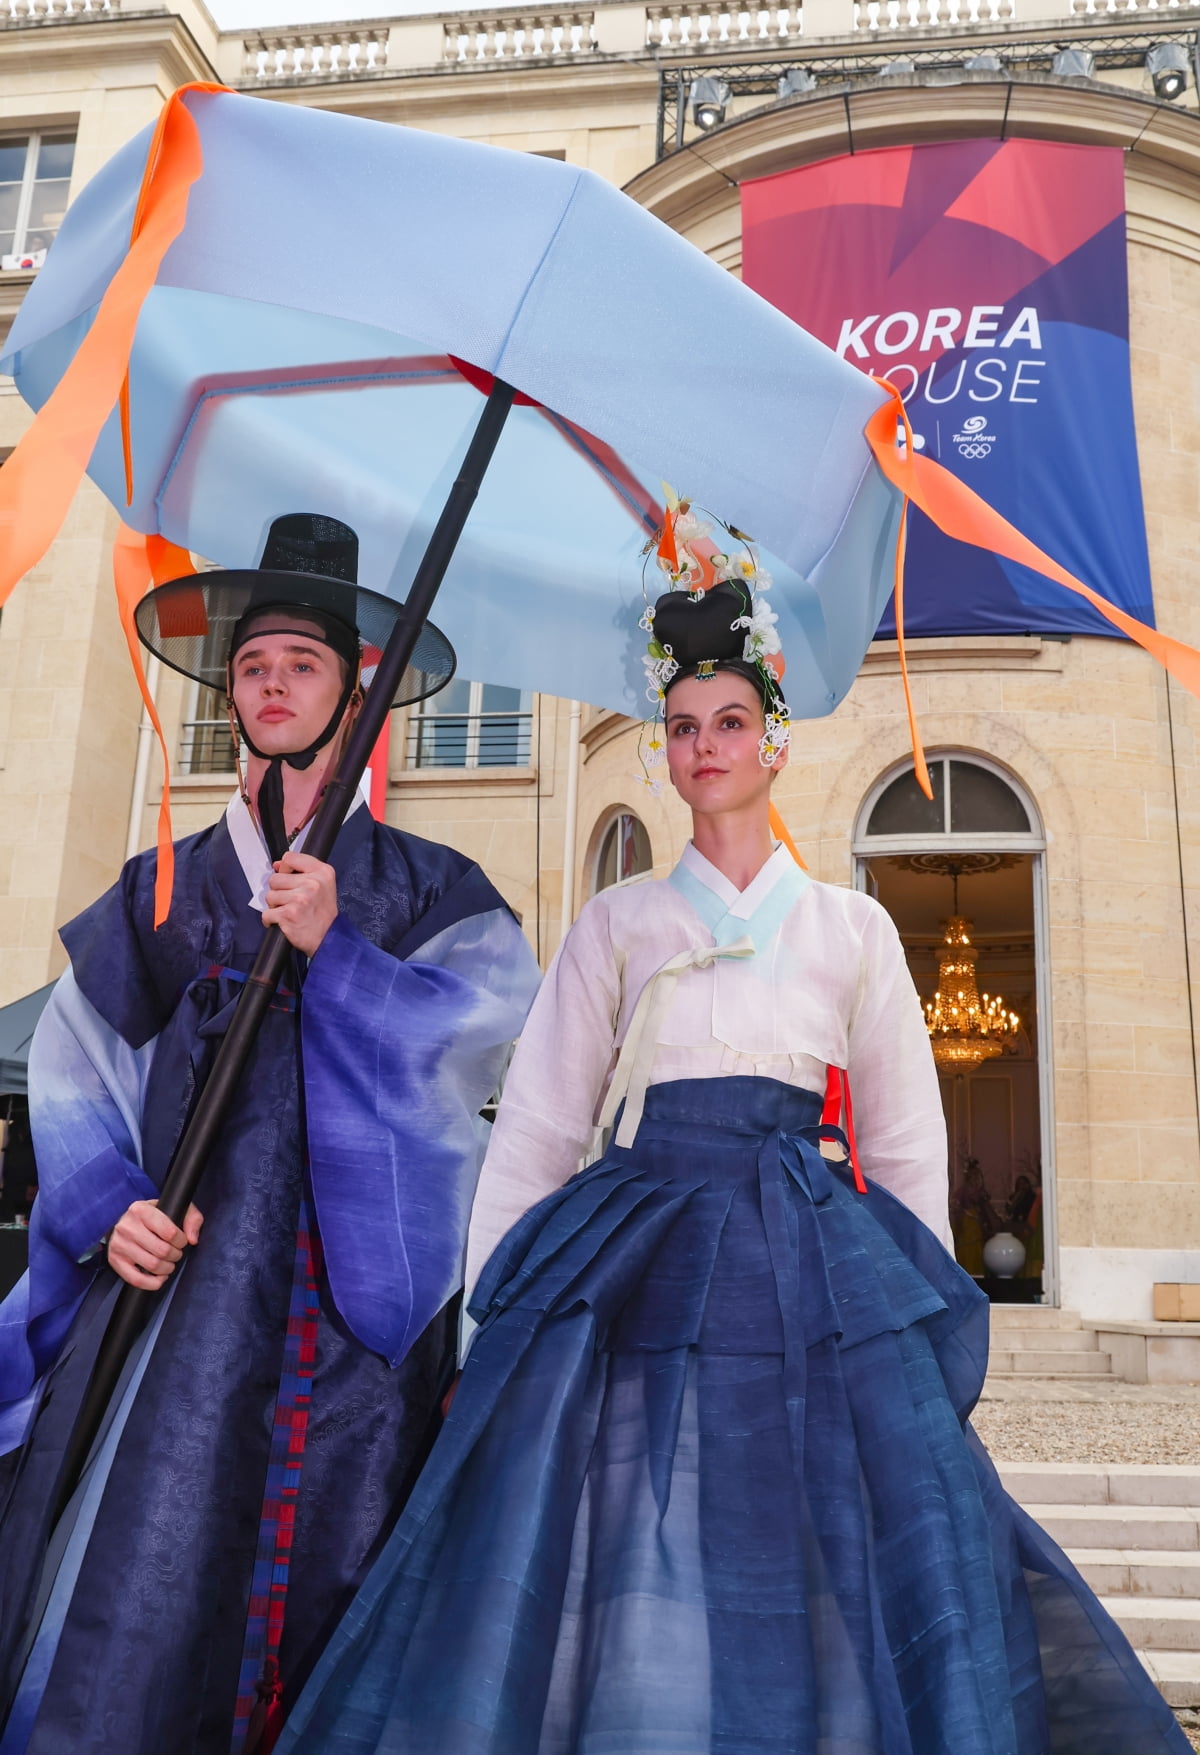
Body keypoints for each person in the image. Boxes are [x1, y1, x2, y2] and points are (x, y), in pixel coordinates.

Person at [279, 501, 1188, 1755]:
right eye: (685, 728)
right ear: (664, 752)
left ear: (774, 743)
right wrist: (491, 1313)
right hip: (636, 1237)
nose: (707, 748)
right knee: (627, 1516)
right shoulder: (618, 922)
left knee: (810, 1525)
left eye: (732, 724)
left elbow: (912, 1143)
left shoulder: (851, 929)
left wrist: (913, 1318)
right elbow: (541, 1125)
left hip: (804, 1243)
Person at [0, 514, 540, 1755]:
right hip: (175, 1300)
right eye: (253, 667)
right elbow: (77, 1067)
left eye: (302, 663)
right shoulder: (163, 887)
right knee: (147, 1564)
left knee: (333, 1587)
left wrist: (336, 956)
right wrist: (104, 1205)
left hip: (349, 1320)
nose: (274, 685)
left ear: (352, 684)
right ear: (230, 693)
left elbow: (486, 1033)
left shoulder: (427, 886)